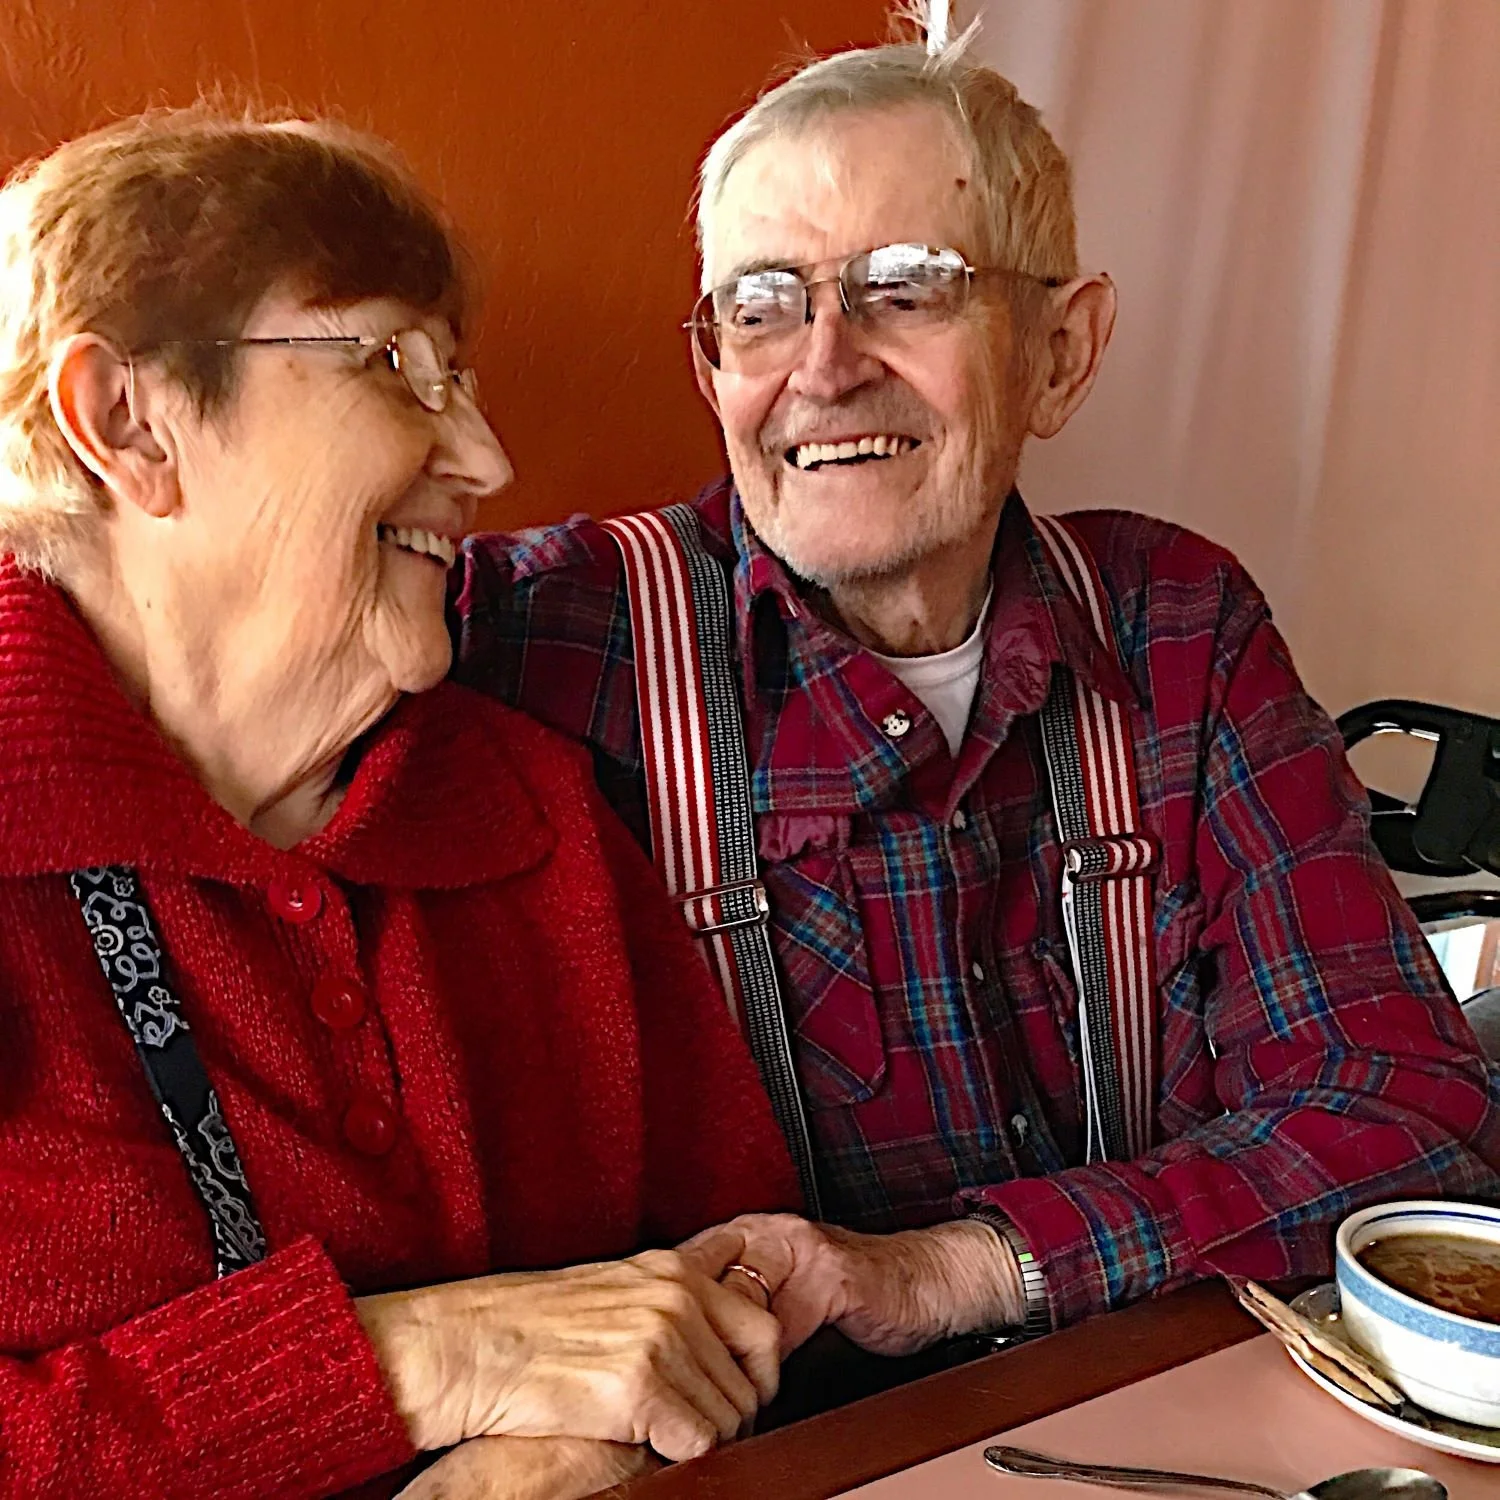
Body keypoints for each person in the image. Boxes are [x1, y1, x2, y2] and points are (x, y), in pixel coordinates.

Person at [452, 33, 1500, 1365]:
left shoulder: (1178, 623)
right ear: (712, 369)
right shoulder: (543, 639)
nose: (823, 368)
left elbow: (1406, 1118)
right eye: (761, 306)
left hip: (1152, 1422)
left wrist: (960, 1269)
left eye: (905, 289)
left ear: (1061, 351)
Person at [0, 106, 799, 1500]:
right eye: (398, 368)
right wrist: (417, 1362)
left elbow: (733, 1267)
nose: (486, 461)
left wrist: (583, 1443)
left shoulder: (525, 816)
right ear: (128, 424)